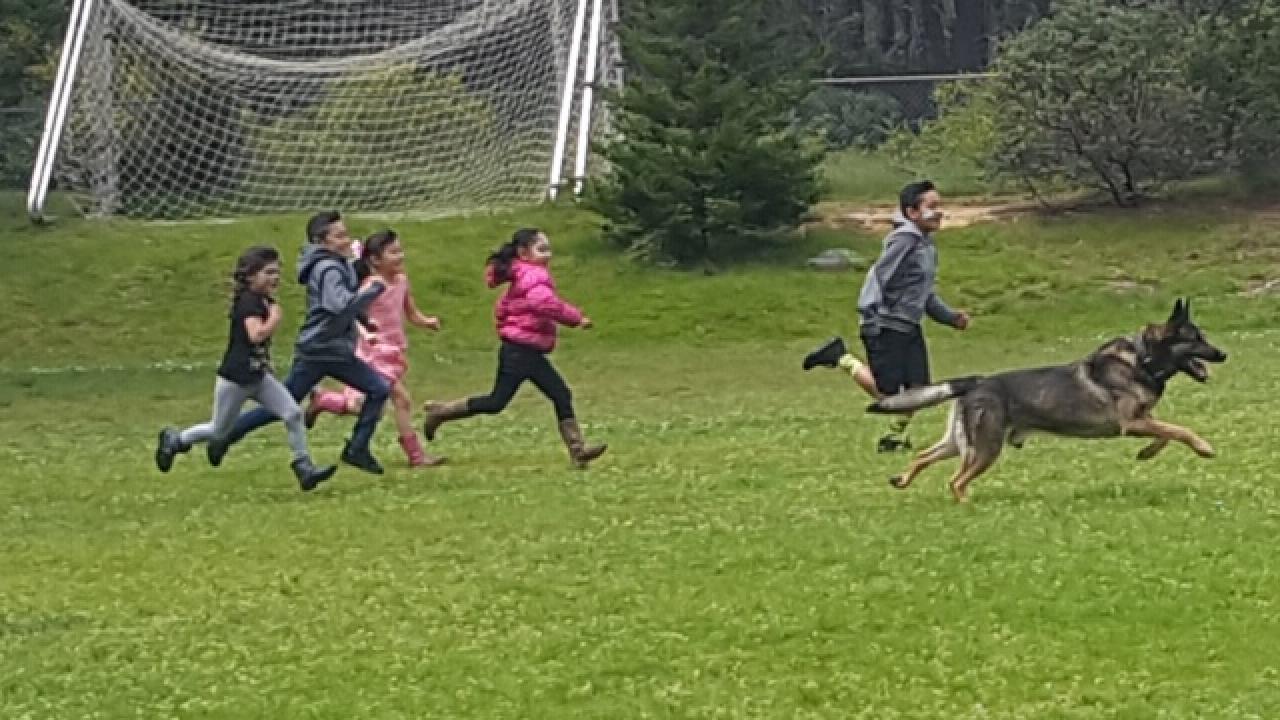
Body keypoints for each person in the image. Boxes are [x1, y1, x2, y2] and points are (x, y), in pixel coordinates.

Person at [208, 211, 392, 474]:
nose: (346, 240)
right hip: (320, 350)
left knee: (375, 390)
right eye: (339, 236)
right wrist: (372, 290)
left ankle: (357, 448)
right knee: (373, 390)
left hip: (332, 349)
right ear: (321, 241)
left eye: (346, 234)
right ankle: (356, 449)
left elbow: (341, 302)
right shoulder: (328, 267)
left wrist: (363, 320)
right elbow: (338, 305)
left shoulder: (335, 264)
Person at [803, 180, 970, 452]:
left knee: (920, 392)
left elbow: (924, 293)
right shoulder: (904, 240)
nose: (939, 212)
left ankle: (893, 438)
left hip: (910, 327)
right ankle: (840, 358)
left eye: (940, 206)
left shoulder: (926, 247)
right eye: (932, 206)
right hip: (885, 325)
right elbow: (879, 275)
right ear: (911, 212)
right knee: (890, 395)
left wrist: (950, 317)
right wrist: (869, 315)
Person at [420, 228, 607, 468]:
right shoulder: (534, 275)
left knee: (551, 395)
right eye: (541, 249)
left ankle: (578, 451)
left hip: (524, 349)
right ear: (523, 253)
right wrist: (576, 318)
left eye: (549, 249)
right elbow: (544, 303)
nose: (547, 254)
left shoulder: (524, 273)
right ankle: (441, 412)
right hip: (519, 352)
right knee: (499, 401)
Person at [155, 246, 337, 491]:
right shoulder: (248, 302)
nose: (275, 278)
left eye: (277, 272)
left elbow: (261, 348)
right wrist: (274, 318)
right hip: (236, 379)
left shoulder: (264, 301)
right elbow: (255, 335)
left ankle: (303, 467)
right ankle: (176, 440)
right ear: (250, 276)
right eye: (268, 272)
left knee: (292, 413)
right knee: (219, 430)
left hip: (258, 376)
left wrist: (269, 369)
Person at [304, 229, 446, 468]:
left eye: (400, 251)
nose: (400, 256)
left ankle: (325, 400)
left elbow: (410, 311)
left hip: (393, 350)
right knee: (396, 401)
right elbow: (352, 314)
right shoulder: (371, 286)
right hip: (373, 353)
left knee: (393, 403)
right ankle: (415, 456)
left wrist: (426, 321)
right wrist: (366, 333)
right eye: (393, 253)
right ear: (375, 260)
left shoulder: (401, 281)